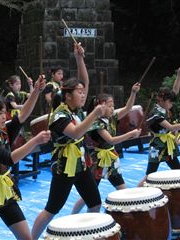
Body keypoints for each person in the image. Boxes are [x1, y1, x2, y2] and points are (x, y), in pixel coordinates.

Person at [31, 43, 107, 240]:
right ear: (67, 96)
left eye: (83, 92)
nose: (83, 94)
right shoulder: (59, 115)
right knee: (52, 209)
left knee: (95, 203)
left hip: (80, 164)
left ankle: (90, 235)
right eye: (79, 92)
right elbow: (75, 133)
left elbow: (84, 81)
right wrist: (95, 114)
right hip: (64, 167)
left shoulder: (76, 110)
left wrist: (79, 57)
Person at [0, 75, 50, 240]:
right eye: (0, 113)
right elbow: (10, 159)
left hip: (6, 191)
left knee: (26, 238)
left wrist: (36, 91)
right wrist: (35, 140)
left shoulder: (1, 130)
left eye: (5, 112)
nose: (4, 117)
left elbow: (23, 115)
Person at [71, 83, 142, 214]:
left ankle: (128, 217)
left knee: (123, 190)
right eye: (109, 106)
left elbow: (128, 108)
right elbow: (111, 140)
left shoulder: (112, 118)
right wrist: (131, 134)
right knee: (88, 196)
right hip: (98, 161)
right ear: (101, 107)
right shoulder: (97, 123)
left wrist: (133, 92)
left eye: (113, 106)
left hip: (111, 159)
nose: (112, 109)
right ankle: (74, 216)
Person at [137, 87, 180, 187]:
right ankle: (136, 193)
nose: (171, 104)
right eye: (170, 102)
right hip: (156, 146)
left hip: (168, 147)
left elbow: (175, 91)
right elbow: (171, 128)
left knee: (178, 171)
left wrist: (179, 75)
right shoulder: (156, 113)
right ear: (161, 100)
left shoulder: (163, 108)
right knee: (150, 174)